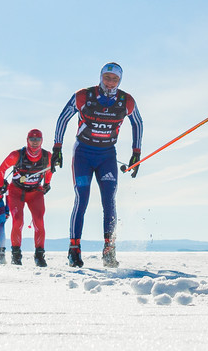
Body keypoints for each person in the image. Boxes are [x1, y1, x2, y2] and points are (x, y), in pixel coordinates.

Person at [52, 62, 143, 268]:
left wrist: (136, 153)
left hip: (107, 156)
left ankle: (109, 250)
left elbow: (137, 122)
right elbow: (62, 118)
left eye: (115, 79)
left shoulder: (126, 101)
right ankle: (74, 250)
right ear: (101, 77)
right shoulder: (84, 96)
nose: (110, 82)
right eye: (107, 77)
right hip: (83, 154)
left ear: (120, 81)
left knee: (109, 201)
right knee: (82, 198)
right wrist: (57, 147)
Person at [0, 129, 54, 266]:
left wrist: (47, 184)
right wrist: (0, 184)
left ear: (42, 141)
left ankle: (39, 256)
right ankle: (16, 255)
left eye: (37, 140)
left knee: (39, 221)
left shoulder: (47, 156)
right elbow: (2, 169)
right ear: (27, 140)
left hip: (35, 192)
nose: (35, 143)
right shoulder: (17, 155)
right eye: (32, 140)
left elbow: (49, 170)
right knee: (18, 221)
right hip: (16, 192)